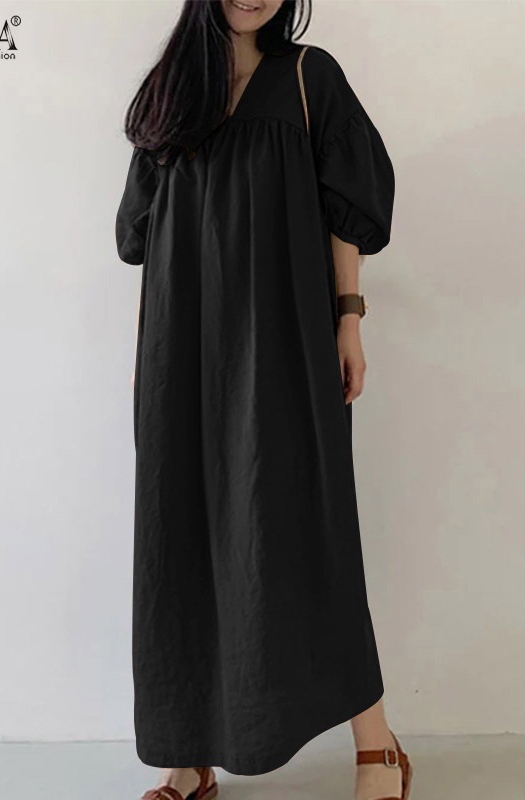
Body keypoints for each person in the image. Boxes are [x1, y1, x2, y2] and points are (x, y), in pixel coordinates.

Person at [115, 2, 411, 799]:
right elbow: (147, 237)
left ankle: (378, 743)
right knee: (181, 537)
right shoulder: (170, 90)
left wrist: (349, 319)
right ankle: (189, 757)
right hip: (182, 351)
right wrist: (148, 359)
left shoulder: (310, 77)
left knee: (311, 529)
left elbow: (347, 207)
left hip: (285, 340)